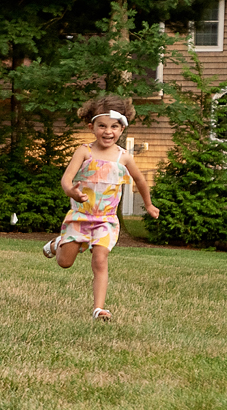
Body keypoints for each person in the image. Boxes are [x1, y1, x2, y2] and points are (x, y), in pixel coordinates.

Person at [43, 95, 159, 320]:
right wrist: (71, 191)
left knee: (100, 259)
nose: (108, 132)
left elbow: (141, 181)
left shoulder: (124, 157)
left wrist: (148, 204)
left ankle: (98, 308)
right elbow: (66, 180)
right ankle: (59, 244)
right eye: (102, 126)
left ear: (122, 128)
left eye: (114, 126)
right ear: (91, 127)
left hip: (106, 220)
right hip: (80, 215)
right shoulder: (84, 151)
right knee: (65, 262)